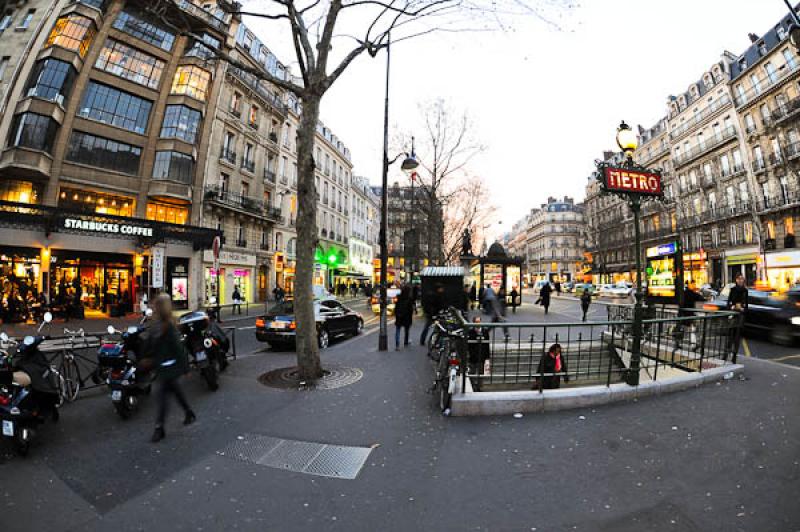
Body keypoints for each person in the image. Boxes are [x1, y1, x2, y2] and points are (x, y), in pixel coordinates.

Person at [147, 294, 195, 443]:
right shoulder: (156, 324)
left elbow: (179, 349)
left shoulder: (168, 325)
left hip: (170, 368)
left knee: (162, 398)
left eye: (156, 305)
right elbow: (150, 344)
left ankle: (159, 428)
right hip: (162, 367)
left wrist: (185, 368)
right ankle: (188, 412)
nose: (154, 307)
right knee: (176, 392)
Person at [393, 285, 415, 350]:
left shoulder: (399, 297)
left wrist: (396, 314)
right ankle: (406, 341)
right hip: (407, 317)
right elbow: (410, 310)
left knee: (398, 331)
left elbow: (396, 307)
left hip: (399, 316)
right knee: (407, 330)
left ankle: (397, 345)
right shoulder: (409, 299)